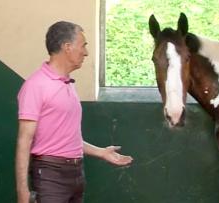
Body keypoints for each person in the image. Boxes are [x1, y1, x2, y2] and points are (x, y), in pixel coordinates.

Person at [15, 21, 133, 203]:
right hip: (50, 176)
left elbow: (67, 138)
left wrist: (101, 152)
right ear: (67, 47)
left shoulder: (67, 83)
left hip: (76, 175)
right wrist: (23, 192)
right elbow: (24, 140)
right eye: (83, 45)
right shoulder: (35, 86)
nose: (86, 52)